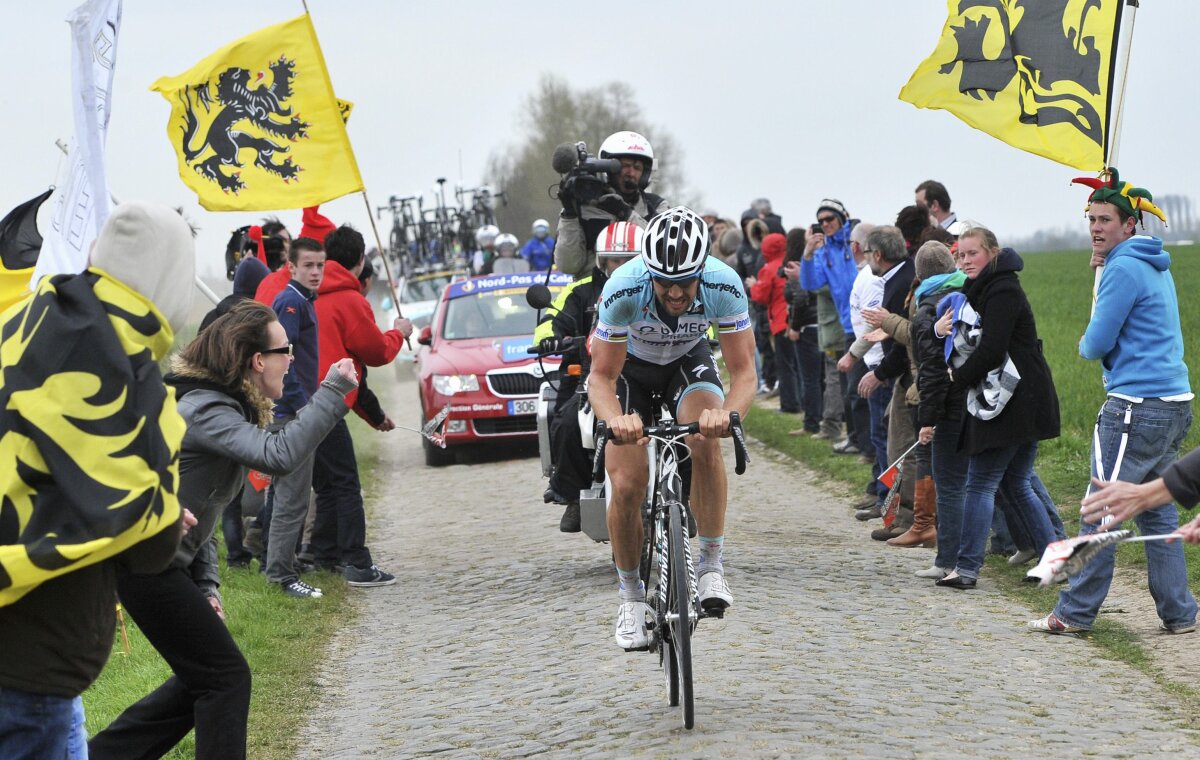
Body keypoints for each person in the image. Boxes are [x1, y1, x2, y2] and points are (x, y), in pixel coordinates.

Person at [89, 301, 359, 760]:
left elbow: (202, 511)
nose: (291, 359)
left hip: (160, 566)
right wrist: (333, 391)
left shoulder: (223, 407)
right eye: (285, 349)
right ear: (258, 360)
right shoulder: (207, 411)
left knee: (203, 680)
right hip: (145, 567)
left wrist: (207, 585)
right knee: (225, 678)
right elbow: (278, 455)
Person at [0, 201, 192, 759]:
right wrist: (161, 515)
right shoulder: (130, 377)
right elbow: (152, 546)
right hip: (34, 659)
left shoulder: (22, 321)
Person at [1030, 170, 1196, 634]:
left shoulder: (1122, 267)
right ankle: (1180, 613)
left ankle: (1072, 613)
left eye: (1106, 220)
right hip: (1173, 403)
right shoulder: (1150, 261)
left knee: (1100, 507)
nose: (1097, 228)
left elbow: (1094, 345)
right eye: (1092, 220)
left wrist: (1100, 290)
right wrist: (1101, 272)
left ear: (1129, 225)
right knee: (1155, 506)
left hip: (1134, 407)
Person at [588, 207, 756, 649]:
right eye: (665, 283)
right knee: (625, 483)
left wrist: (727, 416)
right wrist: (615, 420)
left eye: (686, 282)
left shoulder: (724, 283)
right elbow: (600, 378)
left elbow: (744, 374)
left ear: (703, 271)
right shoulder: (624, 286)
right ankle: (630, 598)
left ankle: (711, 566)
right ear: (649, 273)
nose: (677, 293)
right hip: (631, 370)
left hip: (688, 359)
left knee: (704, 437)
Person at [933, 226, 1060, 589]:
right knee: (1016, 482)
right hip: (1024, 398)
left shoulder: (1002, 289)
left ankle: (967, 569)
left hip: (1012, 400)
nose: (965, 260)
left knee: (980, 483)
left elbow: (990, 350)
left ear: (992, 252)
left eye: (973, 253)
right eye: (960, 255)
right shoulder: (984, 288)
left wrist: (956, 378)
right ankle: (1056, 562)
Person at [310, 224, 412, 586]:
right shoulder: (349, 298)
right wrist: (400, 332)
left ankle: (321, 554)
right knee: (346, 485)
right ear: (358, 260)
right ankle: (356, 561)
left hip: (300, 398)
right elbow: (377, 351)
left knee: (325, 483)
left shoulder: (309, 291)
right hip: (329, 399)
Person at [534, 221, 643, 531]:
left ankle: (681, 496)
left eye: (628, 260)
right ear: (602, 261)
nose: (620, 266)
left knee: (681, 428)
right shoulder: (579, 289)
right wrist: (549, 337)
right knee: (568, 422)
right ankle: (571, 495)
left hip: (645, 374)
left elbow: (692, 316)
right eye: (614, 260)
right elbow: (551, 317)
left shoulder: (658, 287)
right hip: (590, 373)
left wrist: (706, 336)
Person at [262, 237, 328, 599]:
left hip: (294, 411)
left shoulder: (302, 299)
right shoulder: (291, 302)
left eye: (320, 265)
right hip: (290, 415)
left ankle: (279, 566)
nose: (315, 272)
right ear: (292, 266)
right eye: (308, 265)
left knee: (287, 495)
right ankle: (281, 578)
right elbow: (280, 361)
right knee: (292, 498)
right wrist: (303, 407)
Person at [857, 226, 916, 540]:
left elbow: (901, 344)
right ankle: (903, 516)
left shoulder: (897, 284)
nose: (867, 259)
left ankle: (908, 519)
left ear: (877, 255)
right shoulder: (904, 275)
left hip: (910, 378)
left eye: (867, 253)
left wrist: (878, 374)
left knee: (902, 449)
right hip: (909, 375)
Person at [554, 130, 667, 279]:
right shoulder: (585, 206)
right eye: (625, 166)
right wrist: (569, 213)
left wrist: (625, 213)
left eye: (637, 168)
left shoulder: (656, 206)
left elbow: (663, 252)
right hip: (591, 295)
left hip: (641, 293)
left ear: (645, 174)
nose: (631, 173)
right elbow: (568, 265)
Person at [800, 199, 858, 443]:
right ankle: (855, 437)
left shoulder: (855, 240)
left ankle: (862, 440)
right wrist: (808, 255)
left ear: (841, 218)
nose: (825, 224)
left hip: (866, 318)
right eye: (821, 221)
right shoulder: (823, 250)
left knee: (859, 385)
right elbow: (810, 284)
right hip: (846, 323)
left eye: (829, 219)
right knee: (849, 387)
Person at [748, 232, 802, 414]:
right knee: (796, 364)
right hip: (793, 319)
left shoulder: (768, 269)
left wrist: (753, 285)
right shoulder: (789, 264)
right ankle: (800, 401)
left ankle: (789, 405)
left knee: (784, 365)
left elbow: (761, 296)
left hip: (779, 322)